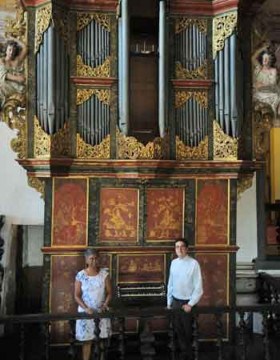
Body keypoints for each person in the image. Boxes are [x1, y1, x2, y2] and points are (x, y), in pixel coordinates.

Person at [167, 239, 203, 360]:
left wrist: (191, 304)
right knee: (178, 331)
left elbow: (199, 287)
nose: (179, 249)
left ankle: (189, 355)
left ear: (187, 249)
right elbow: (170, 284)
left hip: (188, 303)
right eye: (177, 247)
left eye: (182, 247)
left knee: (188, 332)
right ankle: (183, 355)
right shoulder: (173, 263)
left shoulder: (194, 264)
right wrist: (169, 302)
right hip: (176, 302)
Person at [74, 248, 112, 360]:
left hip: (101, 312)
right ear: (86, 260)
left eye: (96, 258)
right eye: (91, 259)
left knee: (101, 341)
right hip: (86, 312)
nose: (94, 261)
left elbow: (109, 293)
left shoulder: (104, 274)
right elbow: (76, 295)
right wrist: (85, 308)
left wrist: (105, 305)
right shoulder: (80, 275)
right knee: (87, 342)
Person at [252, 44, 280, 120]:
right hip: (258, 93)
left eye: (267, 59)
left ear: (270, 60)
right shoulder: (258, 68)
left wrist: (261, 85)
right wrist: (262, 48)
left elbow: (272, 83)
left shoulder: (273, 71)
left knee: (276, 97)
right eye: (264, 58)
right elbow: (253, 58)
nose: (264, 60)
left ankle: (273, 118)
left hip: (270, 93)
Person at [0, 39, 27, 109]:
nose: (11, 52)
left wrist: (14, 39)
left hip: (19, 86)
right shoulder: (1, 61)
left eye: (13, 50)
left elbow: (25, 48)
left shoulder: (17, 60)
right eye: (9, 50)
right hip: (5, 86)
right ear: (6, 50)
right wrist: (17, 78)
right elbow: (2, 74)